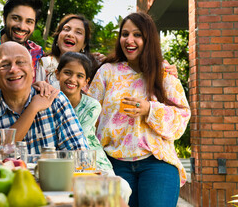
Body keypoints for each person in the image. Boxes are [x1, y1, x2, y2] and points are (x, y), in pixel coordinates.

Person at [88, 12, 191, 207]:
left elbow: (182, 117)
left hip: (157, 162)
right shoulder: (107, 71)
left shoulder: (163, 73)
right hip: (113, 163)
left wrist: (149, 109)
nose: (129, 40)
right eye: (125, 34)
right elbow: (89, 113)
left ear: (148, 39)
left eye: (137, 35)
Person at [0, 41, 89, 153]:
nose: (13, 69)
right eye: (5, 65)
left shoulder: (55, 101)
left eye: (20, 62)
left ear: (33, 71)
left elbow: (78, 155)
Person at [56, 51, 132, 204]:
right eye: (67, 73)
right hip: (63, 163)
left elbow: (77, 138)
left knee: (122, 187)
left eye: (79, 76)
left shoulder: (92, 105)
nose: (72, 79)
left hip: (93, 161)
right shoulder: (50, 102)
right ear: (57, 74)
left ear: (86, 81)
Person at [36, 13, 178, 89]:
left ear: (84, 43)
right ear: (58, 35)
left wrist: (166, 69)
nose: (70, 34)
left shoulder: (95, 66)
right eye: (66, 29)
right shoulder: (43, 63)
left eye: (78, 32)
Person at [0, 0, 44, 81]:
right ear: (4, 19)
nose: (22, 27)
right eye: (16, 18)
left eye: (29, 21)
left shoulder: (37, 52)